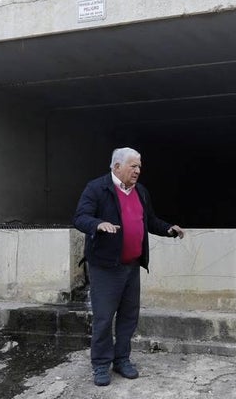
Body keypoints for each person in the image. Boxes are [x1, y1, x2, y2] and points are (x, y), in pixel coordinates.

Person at [73, 148, 185, 386]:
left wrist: (167, 229)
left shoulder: (141, 192)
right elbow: (80, 217)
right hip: (105, 267)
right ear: (116, 167)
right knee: (104, 318)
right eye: (133, 166)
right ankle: (101, 365)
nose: (138, 171)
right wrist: (98, 223)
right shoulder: (97, 188)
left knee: (128, 317)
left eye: (139, 166)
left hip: (132, 266)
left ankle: (122, 359)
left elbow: (149, 221)